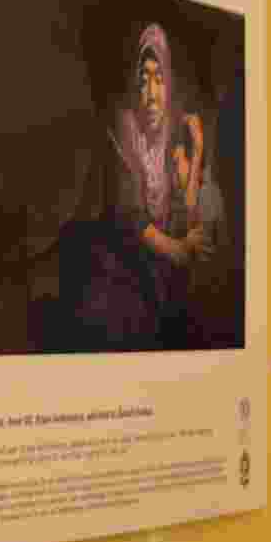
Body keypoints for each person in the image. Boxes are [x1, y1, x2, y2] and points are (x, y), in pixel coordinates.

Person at [109, 23, 213, 347]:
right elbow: (130, 217)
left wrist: (196, 154)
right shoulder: (125, 128)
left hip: (161, 278)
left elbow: (190, 208)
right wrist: (179, 249)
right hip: (123, 278)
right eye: (143, 81)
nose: (151, 95)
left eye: (159, 80)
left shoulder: (172, 135)